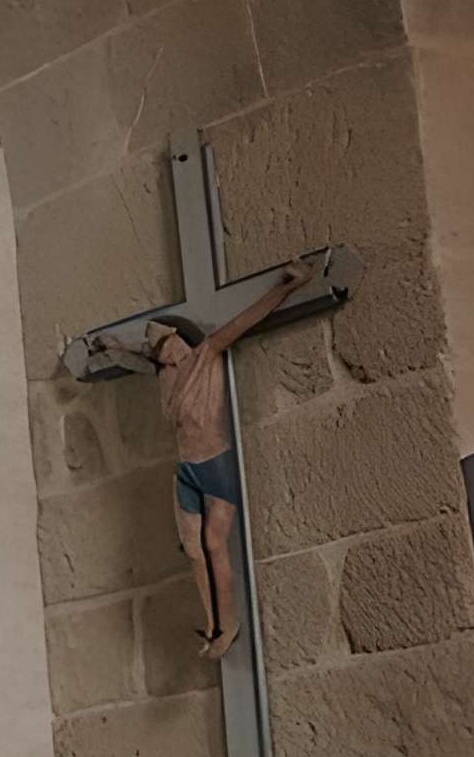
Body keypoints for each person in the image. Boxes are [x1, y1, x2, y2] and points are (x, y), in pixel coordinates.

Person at [108, 259, 318, 659]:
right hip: (186, 468)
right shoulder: (165, 377)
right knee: (192, 550)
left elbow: (245, 321)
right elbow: (136, 354)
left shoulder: (207, 355)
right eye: (157, 351)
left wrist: (287, 288)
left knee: (214, 543)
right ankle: (211, 623)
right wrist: (115, 347)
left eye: (165, 346)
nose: (163, 355)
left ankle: (229, 625)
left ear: (180, 340)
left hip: (214, 464)